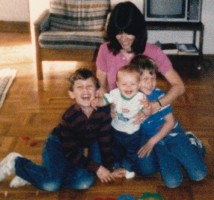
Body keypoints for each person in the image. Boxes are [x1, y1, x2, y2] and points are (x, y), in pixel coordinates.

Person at [0, 68, 125, 191]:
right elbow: (70, 152)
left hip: (77, 148)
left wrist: (109, 169)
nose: (85, 90)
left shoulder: (103, 113)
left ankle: (34, 176)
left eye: (89, 86)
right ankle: (15, 162)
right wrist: (97, 168)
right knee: (51, 185)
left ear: (97, 91)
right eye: (80, 87)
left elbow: (105, 143)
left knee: (85, 182)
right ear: (71, 94)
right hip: (58, 145)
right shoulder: (69, 117)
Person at [96, 1, 185, 116]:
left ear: (138, 31)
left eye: (128, 33)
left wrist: (157, 105)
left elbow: (179, 86)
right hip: (116, 110)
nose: (123, 39)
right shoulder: (105, 50)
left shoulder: (154, 52)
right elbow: (101, 85)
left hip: (144, 112)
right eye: (119, 33)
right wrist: (111, 106)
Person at [132, 55, 207, 188]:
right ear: (135, 80)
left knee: (199, 175)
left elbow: (170, 123)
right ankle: (178, 155)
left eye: (153, 78)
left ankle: (193, 142)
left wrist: (152, 141)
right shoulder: (131, 99)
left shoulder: (159, 95)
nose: (150, 83)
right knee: (172, 182)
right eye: (145, 79)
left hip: (172, 134)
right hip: (159, 143)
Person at [91, 65, 151, 178]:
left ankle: (127, 167)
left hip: (133, 133)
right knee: (115, 149)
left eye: (132, 84)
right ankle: (116, 164)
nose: (128, 87)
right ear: (118, 84)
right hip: (116, 130)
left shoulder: (140, 97)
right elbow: (104, 100)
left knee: (132, 152)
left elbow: (146, 113)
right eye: (124, 84)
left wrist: (147, 107)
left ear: (138, 85)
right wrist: (97, 102)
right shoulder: (114, 94)